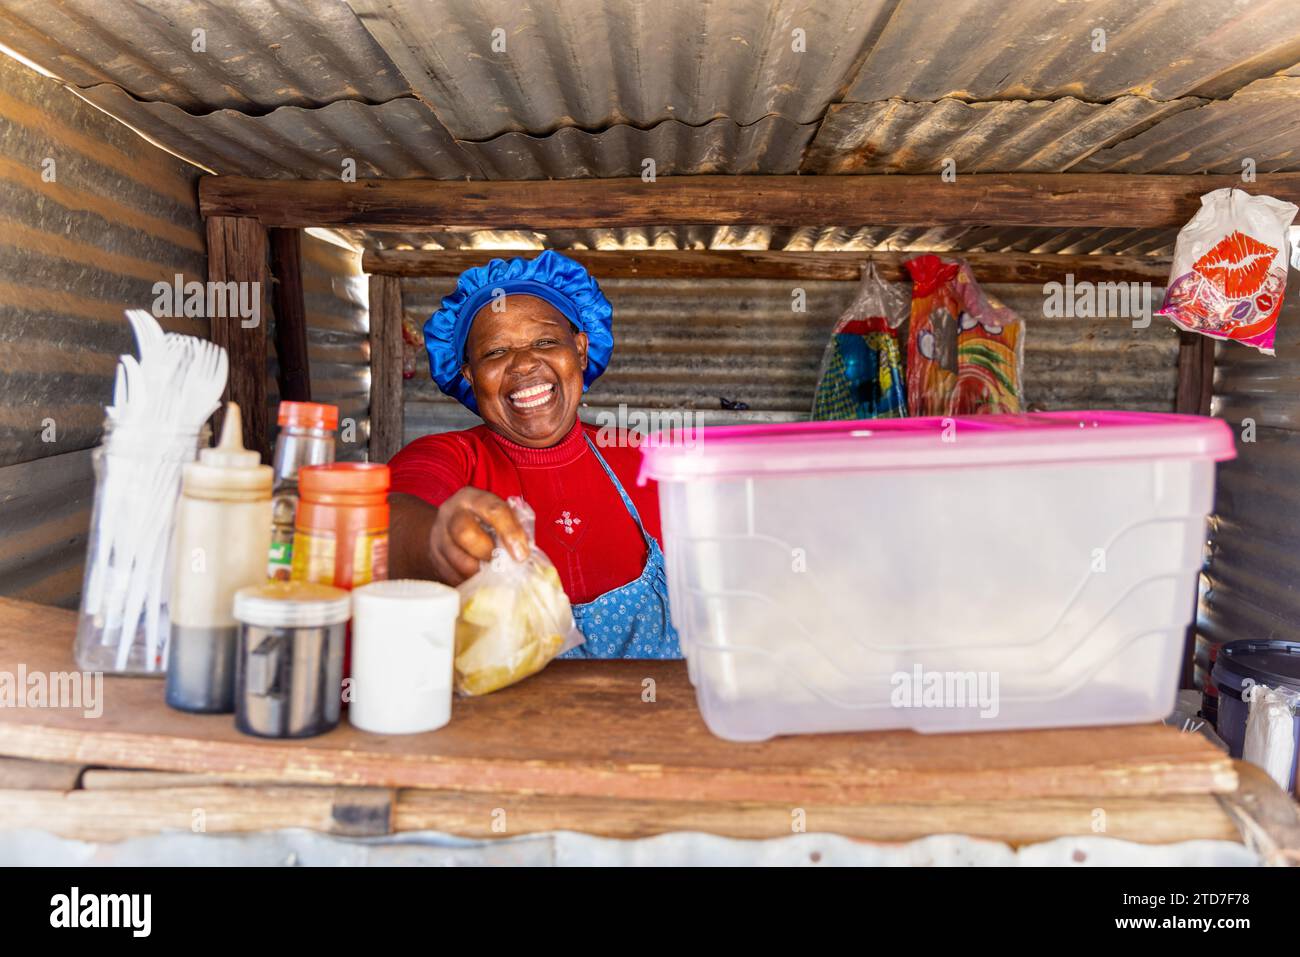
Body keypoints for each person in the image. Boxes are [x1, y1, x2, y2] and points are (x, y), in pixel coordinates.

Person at [387, 250, 681, 659]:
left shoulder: (645, 459)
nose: (524, 364)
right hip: (502, 724)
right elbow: (386, 519)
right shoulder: (448, 457)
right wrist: (435, 540)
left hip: (658, 720)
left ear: (579, 349)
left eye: (545, 341)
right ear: (469, 373)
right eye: (494, 352)